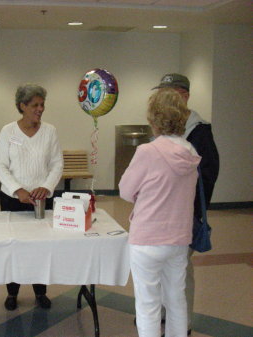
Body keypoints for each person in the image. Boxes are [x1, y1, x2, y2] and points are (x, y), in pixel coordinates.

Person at [119, 88, 201, 337]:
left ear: (154, 119)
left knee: (148, 305)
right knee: (176, 300)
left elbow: (125, 190)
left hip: (147, 239)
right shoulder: (191, 153)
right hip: (178, 239)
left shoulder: (148, 152)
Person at [152, 73, 220, 335]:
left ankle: (181, 323)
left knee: (180, 271)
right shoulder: (161, 127)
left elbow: (209, 174)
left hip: (183, 216)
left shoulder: (200, 131)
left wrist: (186, 206)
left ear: (185, 96)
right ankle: (158, 314)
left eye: (170, 93)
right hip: (157, 215)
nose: (164, 99)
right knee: (158, 268)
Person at [0, 83, 63, 311]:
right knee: (12, 247)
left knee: (40, 247)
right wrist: (17, 189)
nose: (40, 109)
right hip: (13, 200)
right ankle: (12, 293)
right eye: (35, 105)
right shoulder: (8, 131)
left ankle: (40, 292)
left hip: (41, 200)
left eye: (42, 104)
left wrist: (46, 186)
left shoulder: (50, 131)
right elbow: (1, 166)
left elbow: (56, 164)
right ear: (22, 106)